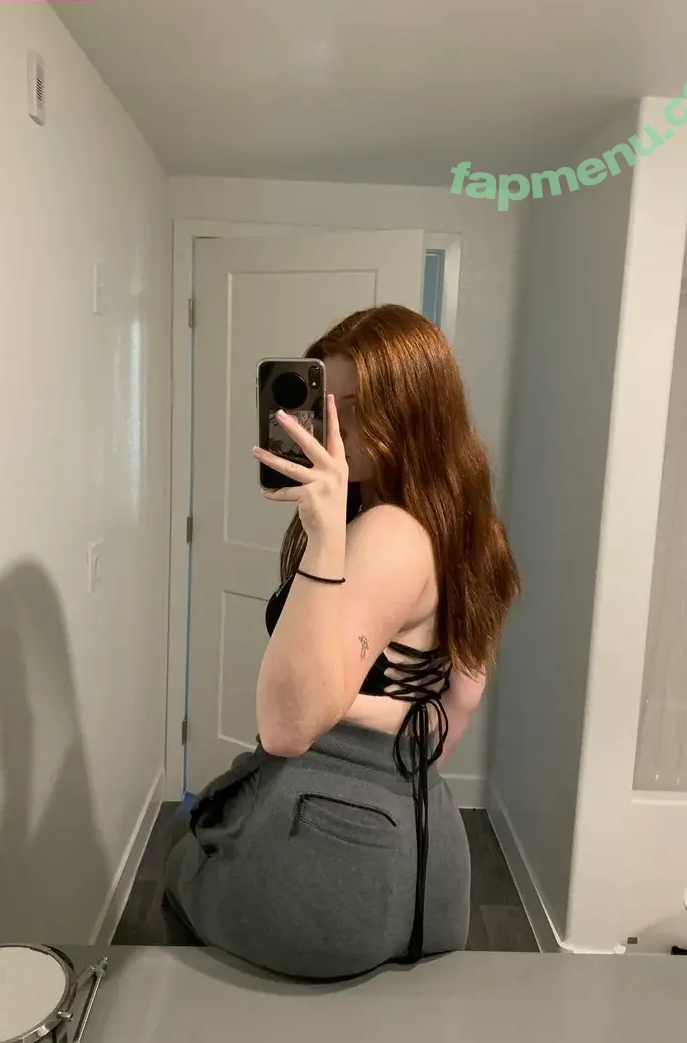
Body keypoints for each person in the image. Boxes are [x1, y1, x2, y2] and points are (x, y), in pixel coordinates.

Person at [165, 304, 520, 979]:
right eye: (325, 403)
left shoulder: (387, 533)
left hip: (336, 848)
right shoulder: (465, 528)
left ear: (413, 412)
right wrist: (381, 709)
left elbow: (285, 726)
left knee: (181, 873)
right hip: (418, 837)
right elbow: (453, 714)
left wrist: (325, 541)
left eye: (357, 408)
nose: (333, 427)